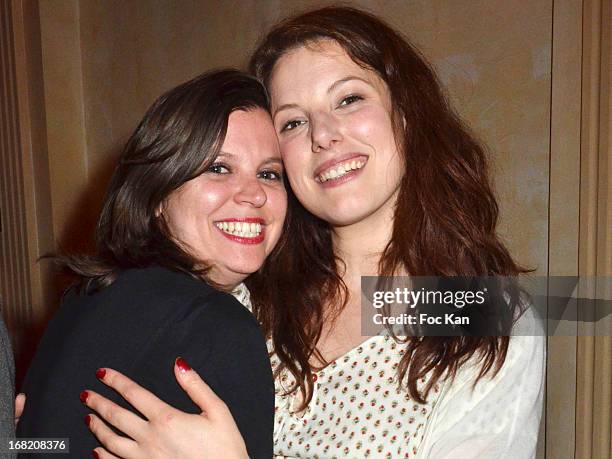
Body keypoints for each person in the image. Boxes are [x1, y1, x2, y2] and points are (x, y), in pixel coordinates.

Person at [81, 6, 544, 458]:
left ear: (407, 113)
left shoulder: (483, 315)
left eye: (348, 99)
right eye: (293, 122)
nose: (322, 134)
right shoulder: (242, 294)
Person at [16, 69, 287, 459]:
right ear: (157, 192)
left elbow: (46, 445)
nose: (254, 194)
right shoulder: (220, 326)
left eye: (268, 173)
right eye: (219, 168)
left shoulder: (83, 299)